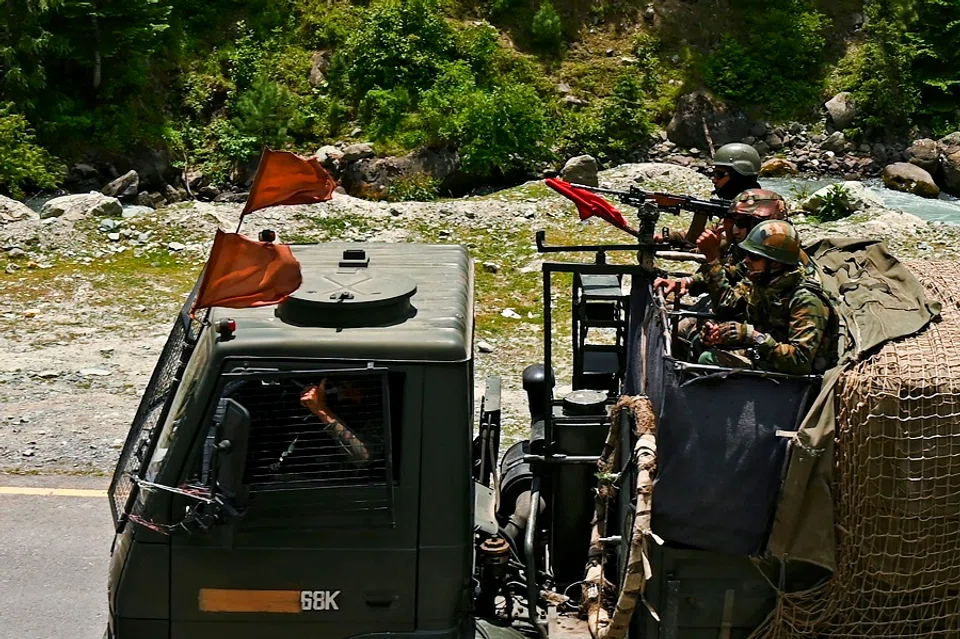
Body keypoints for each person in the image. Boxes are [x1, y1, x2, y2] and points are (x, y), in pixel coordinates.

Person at [696, 220, 837, 376]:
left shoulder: (805, 299)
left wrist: (753, 336)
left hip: (790, 377)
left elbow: (800, 362)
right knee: (698, 343)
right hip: (766, 356)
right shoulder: (762, 282)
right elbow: (729, 306)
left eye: (754, 256)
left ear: (775, 263)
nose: (746, 261)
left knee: (708, 360)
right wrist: (722, 334)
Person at [654, 189, 788, 301]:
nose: (735, 229)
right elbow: (733, 273)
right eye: (733, 221)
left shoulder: (778, 261)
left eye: (741, 223)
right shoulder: (753, 252)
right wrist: (687, 282)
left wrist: (713, 258)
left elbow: (729, 305)